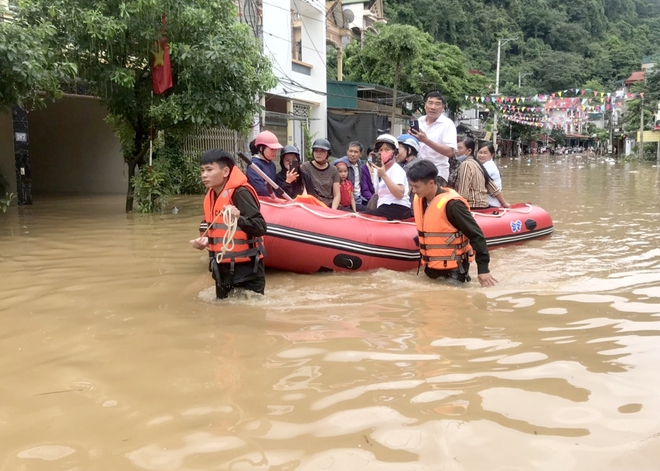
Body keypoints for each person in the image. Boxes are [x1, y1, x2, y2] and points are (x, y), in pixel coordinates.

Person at [407, 159, 498, 287]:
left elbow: (476, 235)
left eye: (416, 186)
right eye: (411, 186)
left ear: (431, 183)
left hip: (454, 270)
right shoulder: (420, 200)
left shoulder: (453, 205)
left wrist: (483, 269)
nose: (413, 190)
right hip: (431, 267)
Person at [190, 149, 267, 299]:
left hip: (248, 270)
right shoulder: (211, 196)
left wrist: (239, 219)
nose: (204, 175)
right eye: (202, 170)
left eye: (209, 170)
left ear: (225, 171)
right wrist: (205, 241)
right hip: (221, 269)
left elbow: (260, 227)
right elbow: (211, 227)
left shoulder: (240, 193)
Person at [410, 92, 457, 185]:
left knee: (436, 199)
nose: (433, 107)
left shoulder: (448, 124)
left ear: (443, 108)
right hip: (417, 172)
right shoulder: (419, 121)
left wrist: (426, 141)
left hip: (437, 173)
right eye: (430, 103)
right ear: (425, 106)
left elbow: (450, 152)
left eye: (437, 104)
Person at [363, 134, 412, 220]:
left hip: (396, 208)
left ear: (395, 153)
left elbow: (400, 194)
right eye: (380, 150)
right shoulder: (379, 171)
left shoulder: (396, 169)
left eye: (387, 149)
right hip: (384, 208)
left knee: (362, 217)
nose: (383, 152)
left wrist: (384, 176)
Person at [455, 137, 509, 210]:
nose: (456, 151)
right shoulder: (478, 163)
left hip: (473, 205)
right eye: (456, 148)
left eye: (460, 148)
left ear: (469, 151)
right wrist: (505, 203)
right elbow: (492, 187)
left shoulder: (466, 164)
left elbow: (463, 192)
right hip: (484, 204)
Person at [299, 138, 340, 208]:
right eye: (316, 150)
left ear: (328, 153)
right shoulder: (305, 167)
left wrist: (332, 211)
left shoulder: (334, 170)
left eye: (322, 151)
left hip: (330, 205)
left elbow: (337, 195)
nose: (318, 153)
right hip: (313, 205)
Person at [246, 130, 282, 197]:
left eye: (276, 149)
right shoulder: (254, 165)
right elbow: (260, 189)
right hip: (259, 202)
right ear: (261, 148)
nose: (274, 152)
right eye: (271, 149)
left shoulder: (272, 165)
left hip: (272, 201)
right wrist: (274, 196)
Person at [333, 141, 369, 206]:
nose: (352, 154)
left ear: (361, 154)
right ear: (347, 152)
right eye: (350, 151)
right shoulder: (340, 164)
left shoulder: (360, 164)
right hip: (347, 201)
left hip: (360, 198)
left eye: (356, 152)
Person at [476, 142, 508, 208]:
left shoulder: (489, 166)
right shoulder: (482, 165)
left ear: (492, 155)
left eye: (485, 153)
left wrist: (504, 203)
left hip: (490, 204)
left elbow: (493, 189)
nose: (481, 155)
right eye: (480, 152)